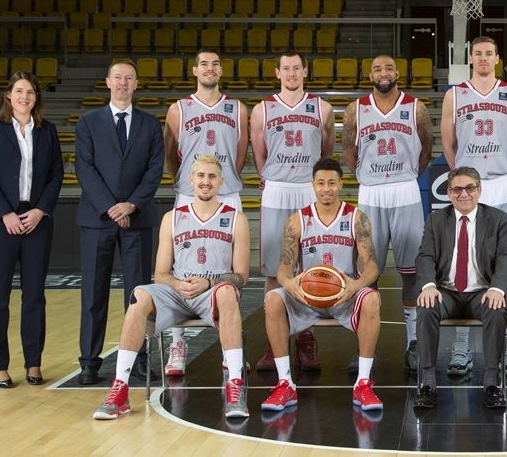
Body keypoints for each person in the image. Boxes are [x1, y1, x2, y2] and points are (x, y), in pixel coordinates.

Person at [93, 155, 250, 419]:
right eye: (201, 176)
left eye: (212, 176)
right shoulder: (172, 218)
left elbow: (241, 276)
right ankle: (120, 389)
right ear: (191, 179)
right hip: (178, 293)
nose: (206, 181)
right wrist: (178, 284)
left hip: (212, 292)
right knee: (140, 295)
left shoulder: (236, 219)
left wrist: (208, 283)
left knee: (227, 291)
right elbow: (160, 274)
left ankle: (235, 385)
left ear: (221, 181)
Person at [261, 158, 384, 412]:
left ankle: (363, 383)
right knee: (273, 297)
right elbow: (283, 267)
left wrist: (357, 284)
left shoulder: (356, 218)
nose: (326, 189)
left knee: (371, 297)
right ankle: (285, 383)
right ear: (313, 185)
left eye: (331, 183)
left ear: (341, 184)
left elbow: (372, 266)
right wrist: (289, 282)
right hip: (307, 296)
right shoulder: (297, 220)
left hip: (344, 296)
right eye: (320, 183)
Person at [441, 36, 507, 377]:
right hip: (468, 187)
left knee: (506, 268)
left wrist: (504, 167)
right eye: (477, 53)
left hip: (502, 183)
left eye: (489, 53)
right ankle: (461, 345)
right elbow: (448, 141)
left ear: (497, 58)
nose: (483, 58)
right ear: (470, 58)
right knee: (461, 264)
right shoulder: (455, 95)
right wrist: (462, 176)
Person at [74, 60, 165, 385]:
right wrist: (111, 207)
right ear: (108, 82)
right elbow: (84, 168)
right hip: (97, 218)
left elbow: (154, 170)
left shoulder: (150, 125)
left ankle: (139, 360)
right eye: (118, 77)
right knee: (93, 294)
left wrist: (131, 205)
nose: (123, 83)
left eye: (129, 78)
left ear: (137, 84)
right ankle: (89, 361)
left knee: (138, 295)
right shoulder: (88, 122)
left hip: (137, 219)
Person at [342, 55, 433, 372]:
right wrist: (365, 176)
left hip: (405, 190)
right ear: (370, 75)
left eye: (389, 68)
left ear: (398, 72)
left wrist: (409, 175)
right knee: (367, 272)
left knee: (412, 272)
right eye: (378, 69)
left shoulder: (416, 107)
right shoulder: (355, 109)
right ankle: (364, 346)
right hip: (371, 192)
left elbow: (427, 148)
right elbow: (348, 150)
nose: (384, 73)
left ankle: (414, 343)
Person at [163, 50, 249, 377]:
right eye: (204, 64)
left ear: (221, 70)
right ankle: (177, 344)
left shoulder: (237, 108)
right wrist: (191, 180)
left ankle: (231, 344)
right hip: (190, 193)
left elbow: (240, 153)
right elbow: (171, 154)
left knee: (232, 270)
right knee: (181, 266)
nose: (209, 69)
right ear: (194, 70)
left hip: (227, 193)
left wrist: (223, 179)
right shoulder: (178, 109)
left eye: (215, 64)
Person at [0, 71, 64, 388]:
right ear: (8, 95)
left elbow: (56, 174)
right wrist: (5, 213)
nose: (24, 97)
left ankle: (33, 363)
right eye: (19, 91)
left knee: (35, 295)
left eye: (30, 92)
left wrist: (41, 210)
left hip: (36, 219)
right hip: (0, 220)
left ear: (37, 97)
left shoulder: (47, 130)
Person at [250, 51, 335, 372]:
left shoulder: (322, 108)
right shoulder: (262, 109)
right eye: (285, 69)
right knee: (275, 272)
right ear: (277, 72)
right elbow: (258, 152)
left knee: (308, 268)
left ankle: (306, 339)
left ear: (305, 71)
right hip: (276, 190)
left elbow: (326, 150)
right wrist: (269, 176)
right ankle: (274, 343)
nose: (291, 73)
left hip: (307, 190)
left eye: (296, 68)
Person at [414, 166, 507, 409]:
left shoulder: (498, 219)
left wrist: (497, 289)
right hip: (446, 293)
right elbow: (425, 256)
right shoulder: (436, 219)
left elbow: (505, 258)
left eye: (469, 188)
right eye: (457, 189)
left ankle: (491, 382)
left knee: (497, 309)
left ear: (479, 190)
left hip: (482, 293)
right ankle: (428, 383)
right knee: (426, 306)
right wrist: (428, 285)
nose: (464, 194)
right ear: (448, 193)